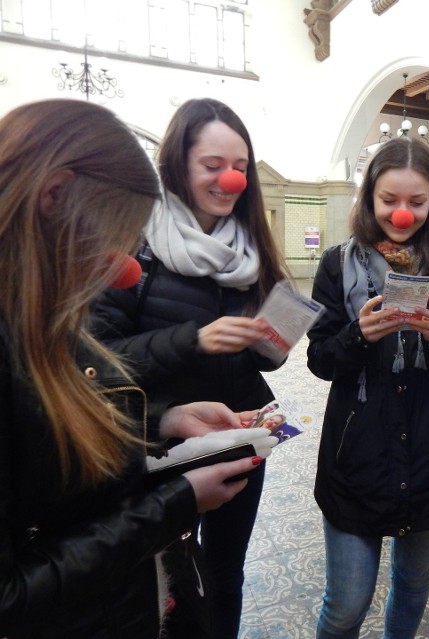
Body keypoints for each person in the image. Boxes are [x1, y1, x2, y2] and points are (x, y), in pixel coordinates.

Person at [0, 99, 263, 638]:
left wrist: (163, 420)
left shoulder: (41, 317)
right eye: (112, 236)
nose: (119, 269)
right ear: (54, 195)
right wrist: (174, 503)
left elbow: (60, 431)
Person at [92, 98, 291, 639]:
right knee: (164, 578)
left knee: (226, 574)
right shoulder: (135, 246)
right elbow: (96, 361)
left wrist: (272, 343)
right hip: (159, 442)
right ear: (177, 164)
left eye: (241, 167)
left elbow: (258, 349)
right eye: (212, 165)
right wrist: (192, 340)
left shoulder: (251, 249)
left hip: (239, 431)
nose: (230, 179)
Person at [306, 135, 429, 638]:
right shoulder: (337, 263)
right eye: (389, 200)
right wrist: (357, 336)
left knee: (411, 586)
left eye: (417, 202)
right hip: (357, 453)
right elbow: (319, 359)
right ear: (369, 198)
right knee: (345, 606)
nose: (402, 213)